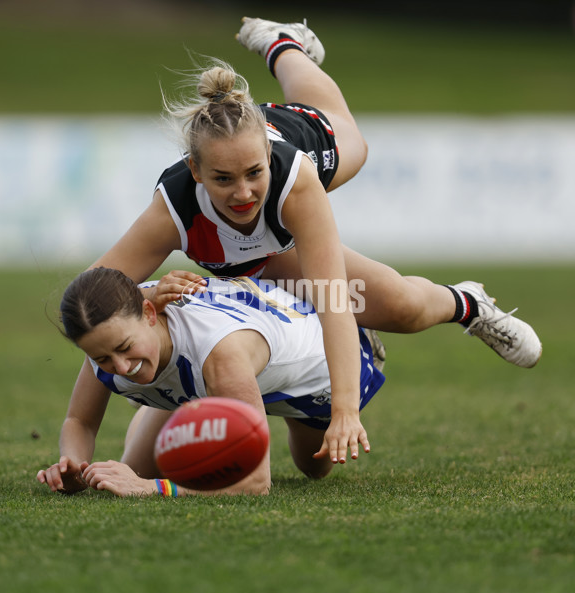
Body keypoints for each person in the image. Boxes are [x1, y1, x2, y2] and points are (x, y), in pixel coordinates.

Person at [87, 17, 542, 466]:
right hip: (245, 273)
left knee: (401, 303)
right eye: (223, 179)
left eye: (253, 173)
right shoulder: (174, 208)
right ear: (196, 171)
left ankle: (469, 303)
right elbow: (90, 293)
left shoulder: (295, 179)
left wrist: (345, 412)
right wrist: (148, 294)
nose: (242, 192)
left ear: (268, 156)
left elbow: (333, 299)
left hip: (286, 239)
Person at [36, 267, 386, 497]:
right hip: (222, 374)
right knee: (136, 468)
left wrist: (154, 489)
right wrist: (73, 463)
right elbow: (79, 421)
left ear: (149, 314)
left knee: (313, 467)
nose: (121, 366)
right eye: (102, 358)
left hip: (325, 364)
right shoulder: (108, 335)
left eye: (125, 349)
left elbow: (256, 483)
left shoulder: (219, 353)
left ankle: (414, 313)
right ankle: (189, 403)